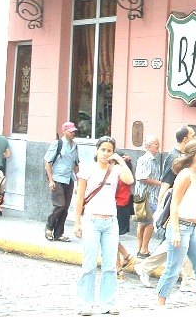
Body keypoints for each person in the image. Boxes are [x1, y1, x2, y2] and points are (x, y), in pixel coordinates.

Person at [73, 136, 134, 316]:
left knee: (109, 265)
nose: (105, 153)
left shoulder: (115, 170)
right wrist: (77, 223)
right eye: (103, 150)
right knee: (89, 264)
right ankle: (85, 303)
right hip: (91, 220)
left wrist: (120, 160)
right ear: (97, 150)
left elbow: (129, 180)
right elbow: (79, 198)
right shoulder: (87, 170)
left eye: (109, 150)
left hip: (110, 222)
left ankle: (108, 303)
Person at [156, 139, 196, 312]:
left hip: (191, 228)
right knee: (173, 268)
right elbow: (174, 204)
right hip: (180, 227)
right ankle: (160, 304)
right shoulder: (185, 175)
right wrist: (175, 230)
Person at [134, 126, 196, 291]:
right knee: (179, 243)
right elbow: (165, 183)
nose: (194, 137)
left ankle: (146, 268)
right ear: (185, 139)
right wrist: (160, 208)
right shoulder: (174, 157)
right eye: (192, 135)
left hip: (183, 206)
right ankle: (188, 280)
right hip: (174, 208)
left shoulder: (182, 156)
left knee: (176, 244)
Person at [44, 122, 80, 242]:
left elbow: (76, 164)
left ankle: (59, 233)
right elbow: (48, 163)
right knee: (60, 205)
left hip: (69, 179)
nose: (73, 133)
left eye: (74, 131)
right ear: (64, 131)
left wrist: (79, 181)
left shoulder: (75, 146)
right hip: (57, 178)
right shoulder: (57, 144)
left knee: (65, 207)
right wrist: (51, 180)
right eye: (70, 131)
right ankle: (49, 227)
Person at [134, 135, 161, 258]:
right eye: (156, 144)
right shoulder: (145, 159)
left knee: (143, 223)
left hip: (146, 196)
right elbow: (142, 178)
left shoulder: (153, 160)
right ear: (149, 146)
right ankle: (143, 249)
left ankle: (141, 249)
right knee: (149, 223)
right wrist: (159, 183)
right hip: (146, 196)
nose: (158, 146)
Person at [115, 155, 134, 278]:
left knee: (111, 238)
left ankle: (118, 267)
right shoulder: (128, 172)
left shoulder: (119, 173)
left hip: (117, 206)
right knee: (112, 237)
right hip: (123, 206)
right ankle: (126, 256)